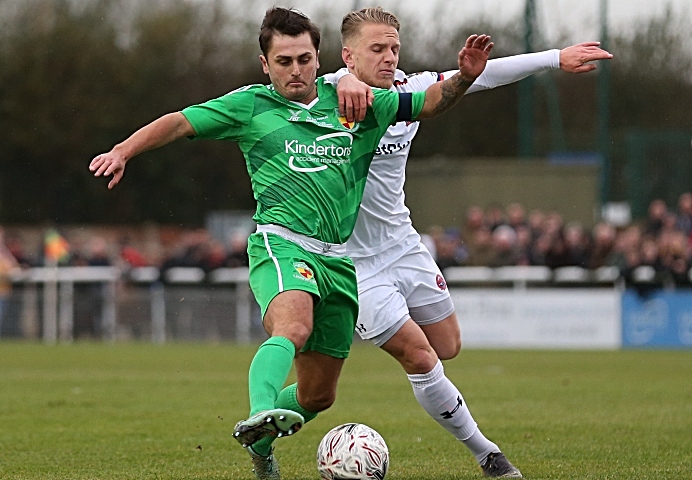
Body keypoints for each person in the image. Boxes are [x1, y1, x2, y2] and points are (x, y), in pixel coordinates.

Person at [89, 7, 492, 479]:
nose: (295, 69)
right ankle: (259, 410)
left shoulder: (354, 103)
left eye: (303, 58)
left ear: (319, 59)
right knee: (293, 327)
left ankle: (261, 444)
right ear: (265, 65)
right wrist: (122, 151)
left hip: (340, 260)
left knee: (318, 394)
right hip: (281, 244)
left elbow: (424, 103)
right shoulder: (250, 105)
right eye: (283, 61)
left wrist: (463, 79)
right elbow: (179, 122)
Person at [322, 6, 613, 478]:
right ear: (347, 55)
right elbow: (297, 87)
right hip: (354, 263)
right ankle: (488, 454)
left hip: (404, 246)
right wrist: (339, 82)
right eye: (377, 49)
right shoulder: (326, 95)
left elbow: (484, 75)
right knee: (419, 356)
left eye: (395, 47)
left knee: (447, 345)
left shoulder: (409, 92)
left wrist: (557, 57)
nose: (390, 57)